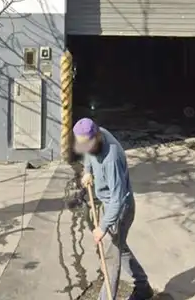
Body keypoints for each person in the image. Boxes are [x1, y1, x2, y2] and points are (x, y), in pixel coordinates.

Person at [70, 118, 154, 300]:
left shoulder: (112, 159)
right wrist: (88, 171)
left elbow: (118, 199)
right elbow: (88, 153)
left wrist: (103, 227)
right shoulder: (98, 134)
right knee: (119, 249)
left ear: (97, 136)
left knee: (111, 259)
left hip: (120, 210)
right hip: (109, 204)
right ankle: (143, 287)